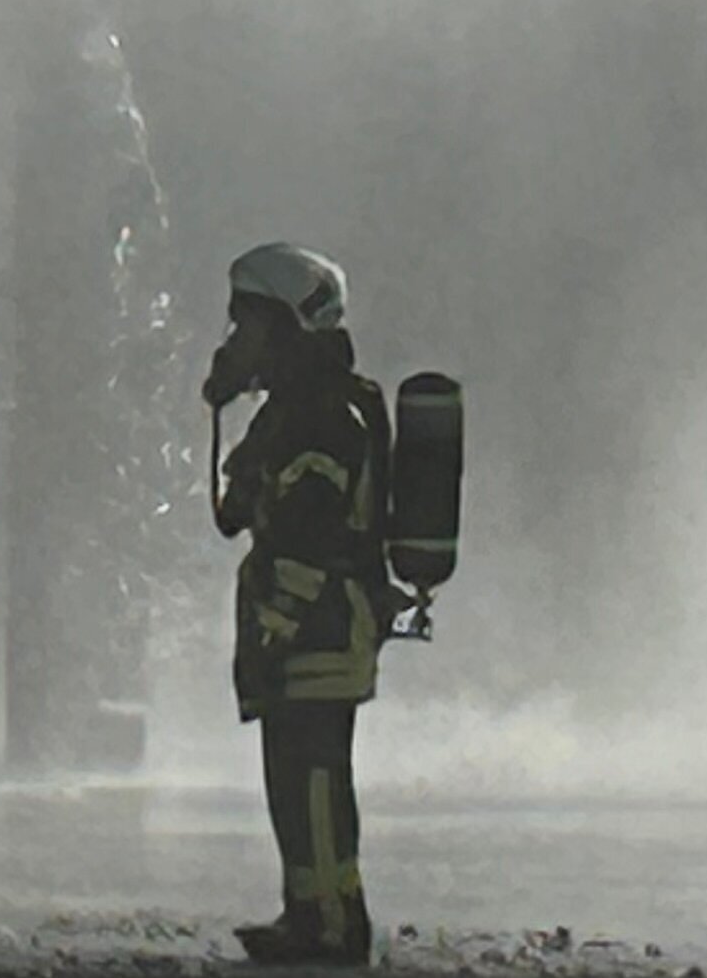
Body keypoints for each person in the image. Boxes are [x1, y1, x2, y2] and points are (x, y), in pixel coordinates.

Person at [204, 241, 388, 966]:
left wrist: (277, 623)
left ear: (285, 325)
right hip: (296, 628)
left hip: (320, 628)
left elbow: (312, 533)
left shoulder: (325, 414)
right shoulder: (291, 410)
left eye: (246, 326)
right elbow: (234, 514)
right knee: (289, 777)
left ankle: (337, 926)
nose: (235, 339)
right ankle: (306, 915)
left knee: (314, 782)